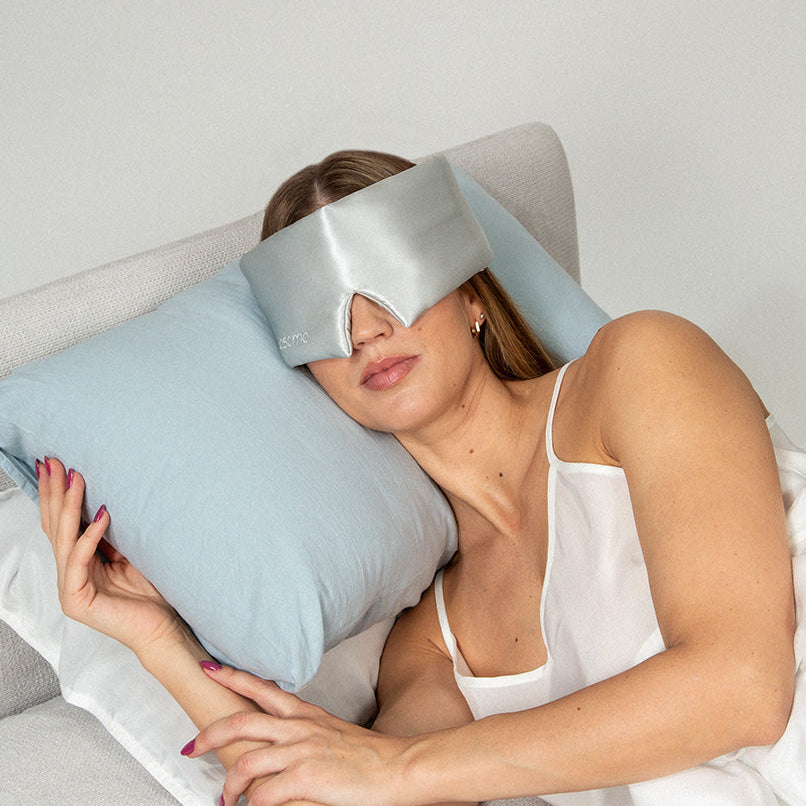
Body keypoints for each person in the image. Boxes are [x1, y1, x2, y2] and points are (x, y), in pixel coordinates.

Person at [36, 149, 798, 806]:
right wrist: (156, 640)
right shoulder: (430, 644)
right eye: (324, 312)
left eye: (384, 279)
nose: (366, 328)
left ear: (470, 290)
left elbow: (744, 688)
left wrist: (401, 767)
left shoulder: (642, 365)